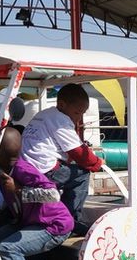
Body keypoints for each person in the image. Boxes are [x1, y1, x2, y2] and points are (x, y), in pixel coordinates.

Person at [0, 127, 75, 260]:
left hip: (53, 226)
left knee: (8, 248)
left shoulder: (22, 169)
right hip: (29, 222)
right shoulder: (4, 171)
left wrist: (18, 190)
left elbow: (52, 194)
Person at [20, 84, 104, 230]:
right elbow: (78, 153)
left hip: (27, 169)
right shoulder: (61, 120)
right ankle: (71, 220)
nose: (78, 119)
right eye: (77, 113)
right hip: (45, 169)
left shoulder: (43, 115)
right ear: (62, 104)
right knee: (81, 175)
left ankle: (56, 211)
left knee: (69, 172)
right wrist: (97, 163)